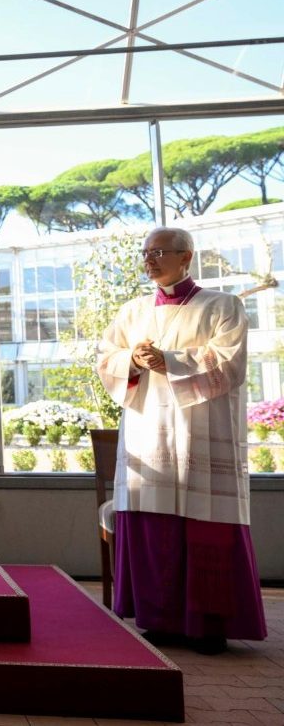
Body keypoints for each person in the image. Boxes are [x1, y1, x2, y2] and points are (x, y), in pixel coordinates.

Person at [97, 226, 267, 654]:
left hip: (201, 437)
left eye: (158, 252)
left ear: (186, 256)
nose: (149, 260)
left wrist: (168, 361)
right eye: (146, 253)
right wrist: (133, 360)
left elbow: (229, 363)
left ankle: (208, 626)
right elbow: (107, 358)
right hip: (149, 436)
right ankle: (159, 621)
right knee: (154, 528)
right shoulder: (133, 311)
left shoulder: (223, 306)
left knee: (204, 528)